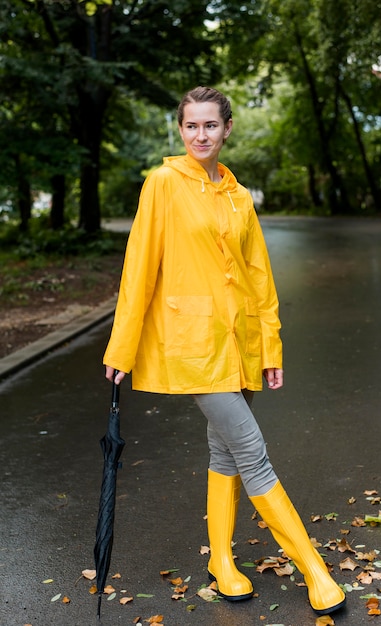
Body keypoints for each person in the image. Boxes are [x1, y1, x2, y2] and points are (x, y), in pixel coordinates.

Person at [103, 86, 346, 616]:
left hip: (239, 342)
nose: (200, 135)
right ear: (180, 129)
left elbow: (259, 274)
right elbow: (138, 268)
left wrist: (269, 345)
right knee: (252, 453)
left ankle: (222, 563)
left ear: (227, 129)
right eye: (191, 126)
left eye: (210, 126)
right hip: (192, 348)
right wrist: (121, 345)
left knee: (223, 452)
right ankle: (314, 571)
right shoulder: (163, 184)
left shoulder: (237, 194)